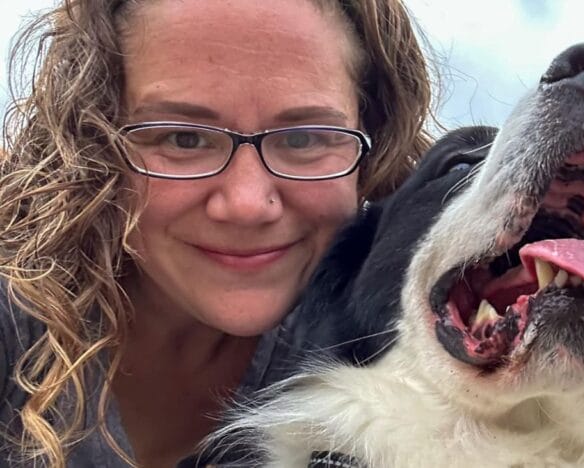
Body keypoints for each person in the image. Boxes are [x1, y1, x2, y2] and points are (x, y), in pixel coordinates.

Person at [0, 0, 434, 466]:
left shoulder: (415, 353)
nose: (247, 205)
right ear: (92, 144)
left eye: (304, 138)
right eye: (184, 138)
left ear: (374, 147)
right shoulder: (15, 315)